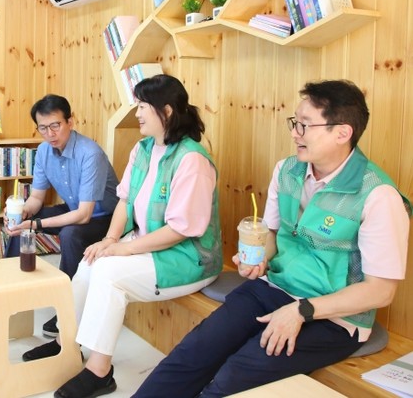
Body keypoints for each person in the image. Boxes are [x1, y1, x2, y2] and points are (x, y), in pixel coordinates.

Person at [134, 79, 412, 397]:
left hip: (336, 317)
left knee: (233, 376)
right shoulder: (287, 170)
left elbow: (380, 291)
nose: (295, 133)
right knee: (193, 352)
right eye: (295, 122)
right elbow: (274, 235)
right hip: (275, 288)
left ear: (342, 133)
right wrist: (260, 258)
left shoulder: (379, 196)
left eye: (305, 125)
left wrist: (302, 310)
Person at [24, 74, 223, 398]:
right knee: (91, 262)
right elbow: (125, 201)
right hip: (146, 242)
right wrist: (110, 240)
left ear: (166, 111)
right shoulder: (143, 149)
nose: (137, 112)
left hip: (188, 257)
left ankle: (99, 371)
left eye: (142, 106)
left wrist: (124, 250)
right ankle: (65, 343)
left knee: (109, 274)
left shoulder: (192, 160)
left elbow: (179, 230)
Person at [0, 94, 119, 337]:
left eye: (56, 125)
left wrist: (35, 224)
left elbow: (84, 215)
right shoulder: (44, 151)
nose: (50, 133)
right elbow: (36, 198)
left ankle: (67, 307)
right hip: (74, 209)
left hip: (106, 218)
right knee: (21, 225)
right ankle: (10, 291)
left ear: (70, 122)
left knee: (70, 234)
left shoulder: (90, 153)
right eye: (43, 128)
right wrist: (22, 213)